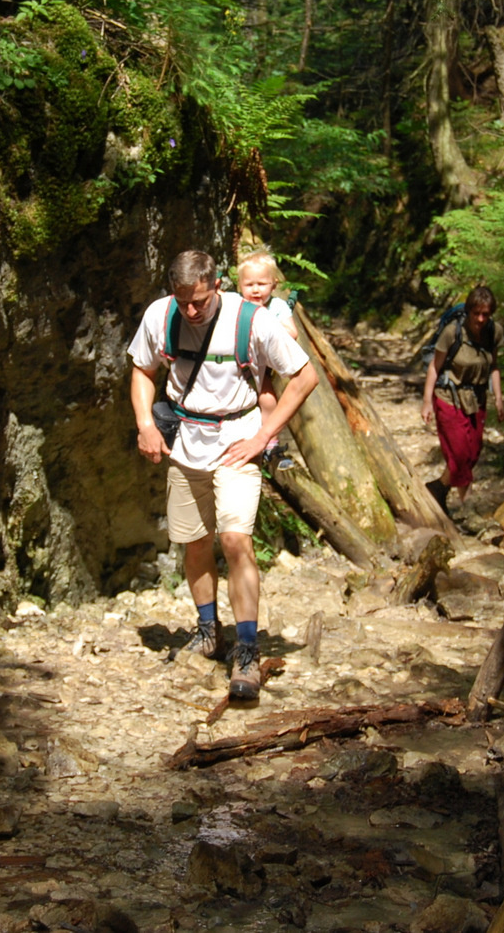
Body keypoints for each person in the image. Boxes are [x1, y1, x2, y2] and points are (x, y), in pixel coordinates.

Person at [130, 249, 318, 699]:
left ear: (217, 286)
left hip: (238, 438)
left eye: (199, 301)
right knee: (195, 541)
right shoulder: (161, 314)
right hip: (186, 441)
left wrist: (263, 438)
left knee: (235, 539)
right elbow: (142, 369)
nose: (191, 310)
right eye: (183, 300)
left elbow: (304, 376)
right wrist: (144, 424)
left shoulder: (251, 320)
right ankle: (208, 630)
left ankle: (248, 649)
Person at [420, 286, 504, 510]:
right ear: (469, 311)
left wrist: (498, 396)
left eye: (485, 314)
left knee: (472, 453)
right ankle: (466, 509)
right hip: (449, 397)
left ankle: (437, 489)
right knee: (458, 454)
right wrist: (427, 401)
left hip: (476, 399)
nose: (480, 318)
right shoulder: (452, 332)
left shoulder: (494, 332)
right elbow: (434, 367)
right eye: (476, 313)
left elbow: (494, 366)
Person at [236, 251, 298, 442]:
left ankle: (271, 438)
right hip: (238, 361)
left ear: (273, 285)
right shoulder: (238, 304)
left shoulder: (277, 307)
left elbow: (292, 332)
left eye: (261, 284)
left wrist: (267, 321)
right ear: (240, 286)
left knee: (267, 398)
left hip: (262, 364)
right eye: (249, 285)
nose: (255, 290)